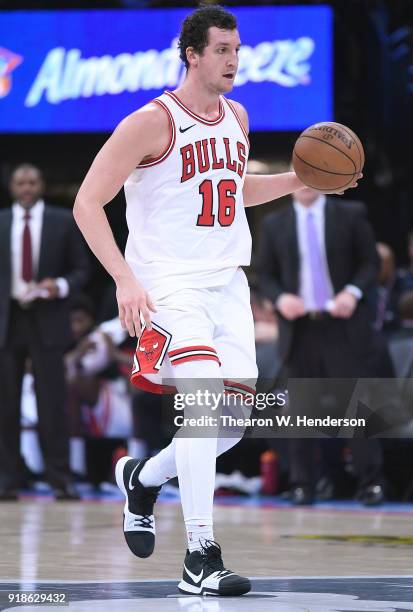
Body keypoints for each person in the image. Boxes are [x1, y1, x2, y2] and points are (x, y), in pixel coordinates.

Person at [73, 5, 360, 596]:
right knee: (204, 408)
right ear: (193, 55)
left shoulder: (238, 116)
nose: (234, 60)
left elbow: (232, 190)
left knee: (229, 426)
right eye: (223, 50)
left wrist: (299, 179)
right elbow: (86, 204)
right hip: (168, 284)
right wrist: (126, 280)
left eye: (238, 49)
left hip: (228, 282)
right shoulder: (149, 123)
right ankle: (201, 554)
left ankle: (143, 478)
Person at [258, 183, 386, 506]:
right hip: (299, 327)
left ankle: (371, 482)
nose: (302, 184)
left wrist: (352, 293)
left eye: (310, 175)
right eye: (297, 175)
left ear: (323, 178)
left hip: (342, 324)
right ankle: (302, 485)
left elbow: (370, 263)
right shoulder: (274, 224)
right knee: (300, 409)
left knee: (356, 406)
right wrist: (280, 298)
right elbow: (265, 274)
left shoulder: (350, 214)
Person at [0, 164, 90, 500]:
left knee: (52, 403)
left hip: (48, 319)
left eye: (32, 182)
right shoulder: (2, 221)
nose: (26, 188)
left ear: (41, 185)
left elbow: (82, 270)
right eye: (20, 182)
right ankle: (8, 478)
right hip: (8, 321)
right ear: (11, 187)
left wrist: (61, 285)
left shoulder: (61, 221)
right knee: (5, 404)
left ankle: (60, 478)